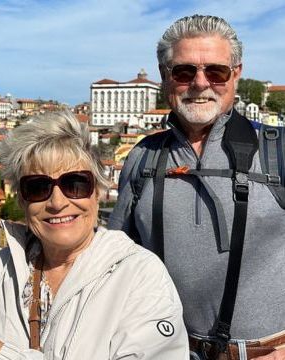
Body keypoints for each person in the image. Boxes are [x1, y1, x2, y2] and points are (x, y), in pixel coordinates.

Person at [0, 112, 189, 360]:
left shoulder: (139, 276)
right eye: (37, 187)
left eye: (75, 183)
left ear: (98, 191)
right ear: (22, 200)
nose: (57, 202)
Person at [109, 15, 285, 360]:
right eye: (184, 72)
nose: (200, 83)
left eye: (216, 71)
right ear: (165, 76)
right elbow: (114, 262)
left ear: (236, 74)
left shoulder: (277, 150)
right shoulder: (143, 158)